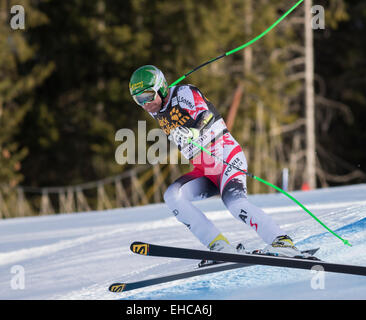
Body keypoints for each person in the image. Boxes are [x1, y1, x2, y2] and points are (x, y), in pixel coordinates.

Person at [129, 65, 304, 258]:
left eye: (147, 96)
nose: (145, 104)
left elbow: (206, 115)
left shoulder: (185, 92)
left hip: (226, 157)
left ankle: (281, 240)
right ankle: (220, 246)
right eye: (138, 100)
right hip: (205, 169)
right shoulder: (155, 109)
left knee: (235, 204)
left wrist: (193, 130)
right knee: (173, 196)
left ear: (161, 87)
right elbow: (165, 109)